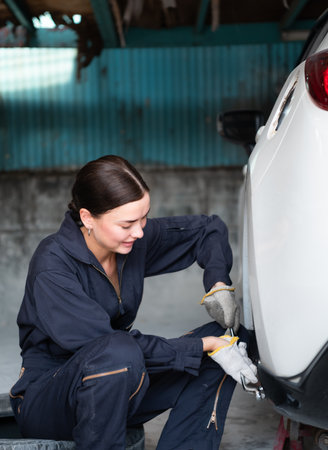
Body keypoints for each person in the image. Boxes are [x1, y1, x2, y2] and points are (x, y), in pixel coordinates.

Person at [10, 155, 257, 450]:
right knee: (122, 352)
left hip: (119, 382)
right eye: (127, 223)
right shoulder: (52, 266)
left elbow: (208, 229)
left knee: (231, 341)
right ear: (88, 218)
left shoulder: (131, 241)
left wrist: (218, 284)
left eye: (144, 218)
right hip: (50, 400)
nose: (139, 232)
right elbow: (106, 345)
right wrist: (203, 344)